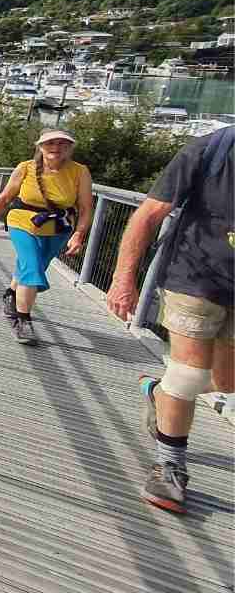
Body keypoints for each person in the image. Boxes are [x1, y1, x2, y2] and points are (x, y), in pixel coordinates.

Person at [106, 126, 234, 514]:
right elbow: (148, 214)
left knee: (226, 381)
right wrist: (123, 278)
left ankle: (160, 391)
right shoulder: (211, 150)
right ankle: (168, 467)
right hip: (193, 274)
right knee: (191, 375)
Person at [0, 129, 92, 344]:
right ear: (40, 146)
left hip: (58, 227)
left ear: (70, 148)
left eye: (62, 144)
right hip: (22, 220)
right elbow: (5, 197)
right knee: (31, 267)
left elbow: (86, 207)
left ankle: (10, 296)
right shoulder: (26, 168)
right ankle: (23, 321)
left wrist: (78, 234)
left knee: (31, 266)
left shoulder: (80, 172)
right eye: (50, 143)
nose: (56, 148)